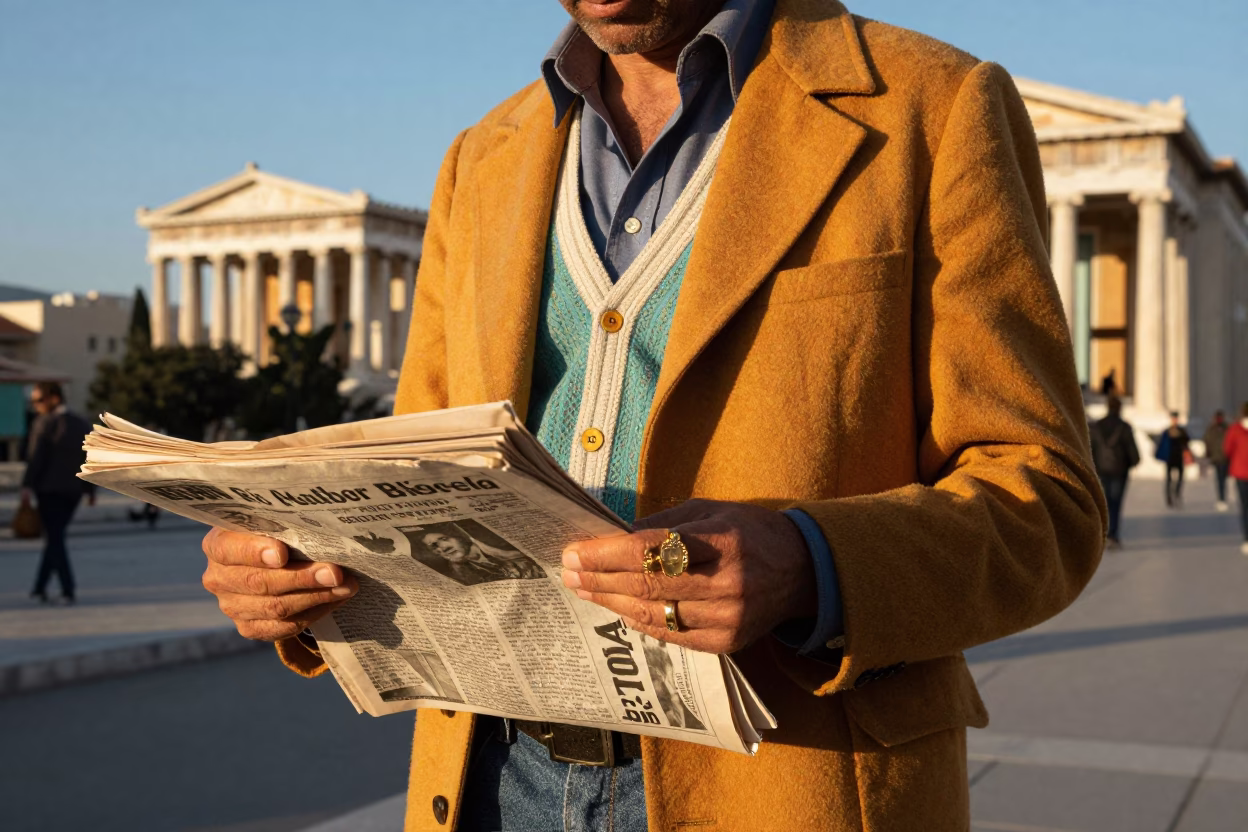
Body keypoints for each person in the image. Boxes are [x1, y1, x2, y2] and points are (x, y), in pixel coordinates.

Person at [198, 2, 1106, 829]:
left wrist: (812, 564)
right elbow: (410, 475)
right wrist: (295, 571)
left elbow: (1049, 504)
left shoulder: (929, 107)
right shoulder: (483, 157)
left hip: (792, 783)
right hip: (490, 781)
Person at [23, 381, 95, 604]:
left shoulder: (44, 423)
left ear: (54, 398)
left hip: (49, 490)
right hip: (73, 492)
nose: (35, 406)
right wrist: (90, 490)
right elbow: (90, 460)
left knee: (55, 538)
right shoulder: (82, 423)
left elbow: (36, 458)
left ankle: (67, 588)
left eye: (38, 400)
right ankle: (39, 587)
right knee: (55, 536)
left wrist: (27, 485)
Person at [404, 522, 546, 585]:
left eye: (443, 539)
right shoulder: (461, 577)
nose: (443, 548)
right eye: (434, 547)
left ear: (460, 537)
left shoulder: (504, 547)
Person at [1090, 396, 1139, 548]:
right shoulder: (1124, 427)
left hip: (1101, 471)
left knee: (1103, 504)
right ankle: (1114, 535)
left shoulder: (1096, 426)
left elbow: (1091, 449)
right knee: (1116, 504)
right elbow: (1133, 453)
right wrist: (1130, 463)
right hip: (1119, 471)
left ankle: (1103, 534)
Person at [1224, 403, 1248, 555]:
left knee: (1245, 507)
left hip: (1240, 473)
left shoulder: (1235, 429)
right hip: (1241, 472)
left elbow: (1227, 449)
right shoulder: (1235, 429)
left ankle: (1247, 539)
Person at [1157, 412, 1192, 508]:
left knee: (1180, 478)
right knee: (1169, 479)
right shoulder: (1167, 431)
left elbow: (1187, 441)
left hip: (1179, 457)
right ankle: (1169, 497)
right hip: (1170, 458)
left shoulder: (1181, 431)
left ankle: (1177, 493)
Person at [1204, 410, 1231, 511]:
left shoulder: (1227, 428)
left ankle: (1222, 498)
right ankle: (1221, 498)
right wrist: (1209, 453)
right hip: (1217, 458)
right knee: (1220, 479)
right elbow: (1207, 441)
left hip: (1225, 457)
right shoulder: (1212, 429)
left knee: (1222, 479)